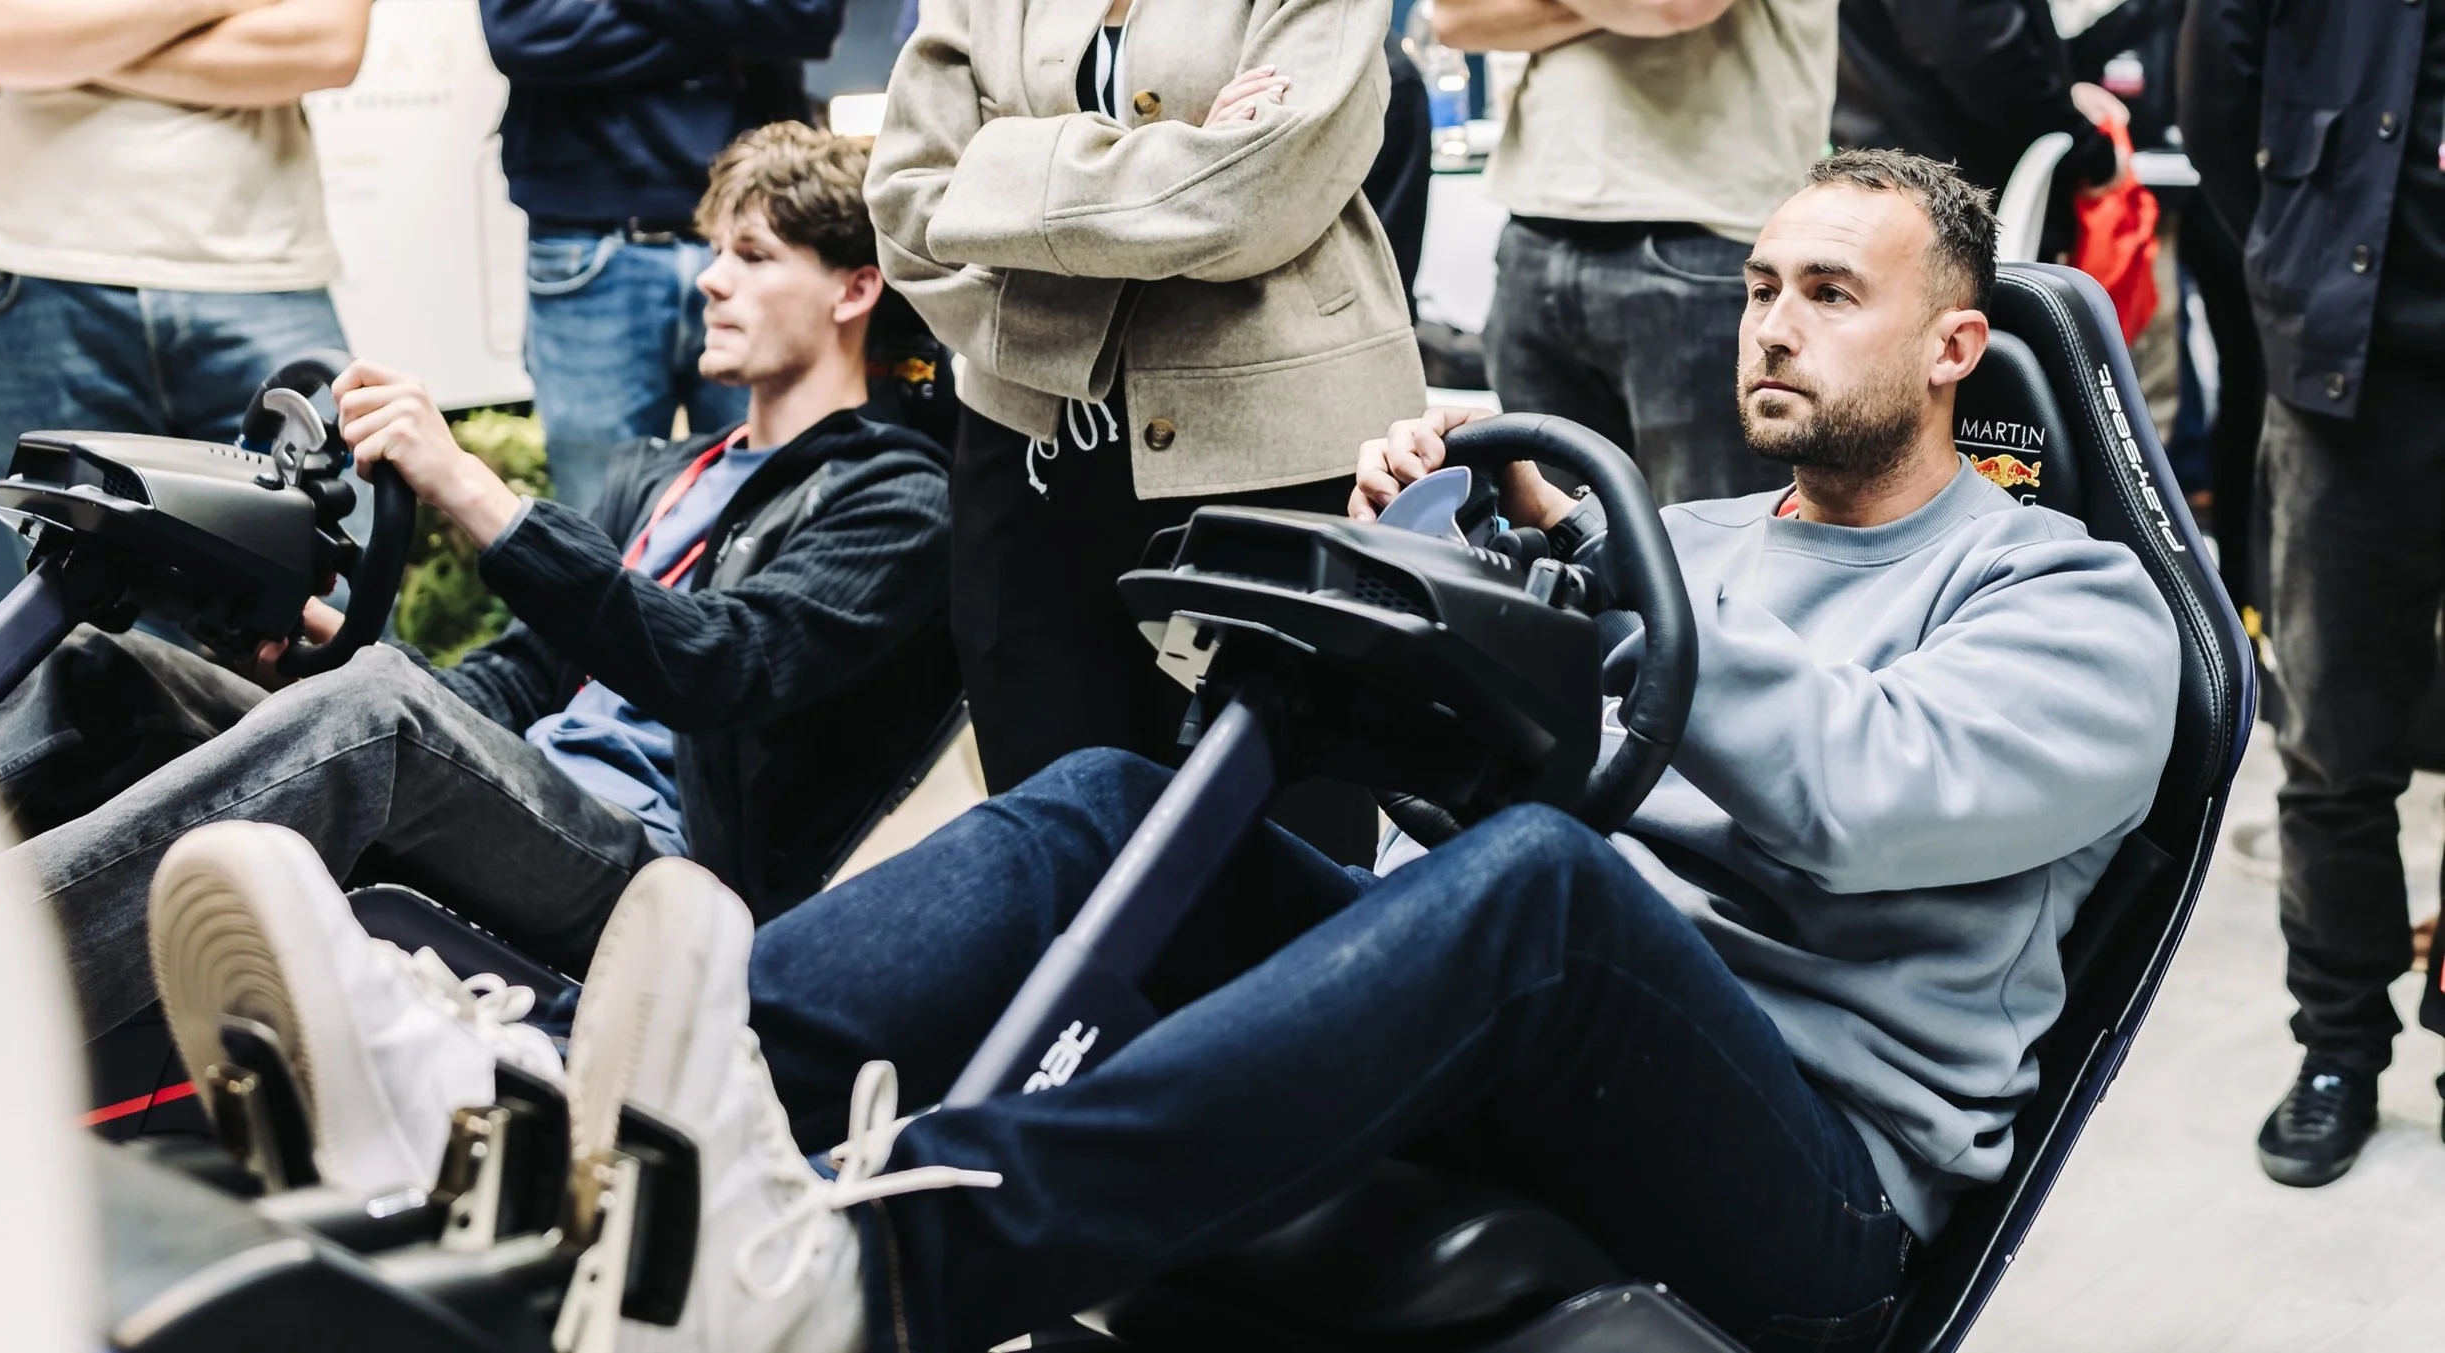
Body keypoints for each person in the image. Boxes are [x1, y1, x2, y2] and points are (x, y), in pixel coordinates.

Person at [139, 150, 2179, 1352]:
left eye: (1830, 293)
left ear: (1953, 347)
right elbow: (1513, 789)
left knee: (1540, 898)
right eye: (1756, 286)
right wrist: (1445, 596)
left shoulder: (2078, 610)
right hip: (1557, 1060)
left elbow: (1857, 805)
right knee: (1116, 802)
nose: (1769, 325)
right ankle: (545, 1105)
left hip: (1807, 1183)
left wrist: (1600, 602)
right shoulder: (1695, 538)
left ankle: (879, 1273)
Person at [0, 124, 958, 1040]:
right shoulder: (663, 475)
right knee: (107, 668)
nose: (710, 279)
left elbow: (718, 667)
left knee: (378, 712)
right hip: (524, 796)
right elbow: (515, 683)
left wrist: (465, 486)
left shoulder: (899, 498)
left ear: (853, 290)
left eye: (754, 256)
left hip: (658, 872)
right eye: (716, 250)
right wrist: (323, 650)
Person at [866, 0, 1426, 864]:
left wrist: (1002, 168)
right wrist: (1183, 159)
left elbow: (1253, 199)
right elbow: (906, 201)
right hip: (1028, 467)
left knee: (1283, 865)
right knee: (1052, 851)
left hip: (1277, 466)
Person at [2184, 0, 2445, 1186]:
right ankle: (2338, 1047)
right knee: (2334, 746)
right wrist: (2299, 261)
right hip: (2350, 381)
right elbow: (2213, 100)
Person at [0, 0, 367, 479]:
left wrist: (53, 48)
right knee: (66, 531)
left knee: (325, 523)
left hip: (264, 274)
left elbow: (329, 47)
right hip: (40, 276)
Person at [1432, 0, 1830, 506]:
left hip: (1707, 236)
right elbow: (1457, 20)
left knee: (1710, 540)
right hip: (1536, 228)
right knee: (1557, 539)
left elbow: (1675, 5)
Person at [476, 0, 846, 515]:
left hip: (759, 231)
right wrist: (729, 37)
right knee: (599, 522)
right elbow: (525, 33)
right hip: (590, 242)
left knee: (771, 512)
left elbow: (804, 18)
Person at [1833, 0, 2132, 209]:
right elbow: (1977, 49)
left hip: (1912, 179)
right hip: (1949, 202)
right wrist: (2090, 153)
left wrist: (2065, 92)